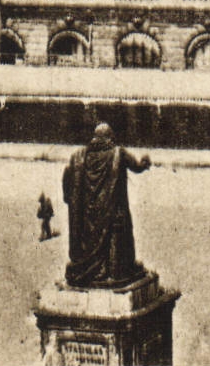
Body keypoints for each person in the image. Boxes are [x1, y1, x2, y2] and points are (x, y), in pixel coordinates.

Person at [62, 122, 152, 288]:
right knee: (117, 236)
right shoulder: (118, 153)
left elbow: (67, 183)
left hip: (88, 215)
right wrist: (146, 162)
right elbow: (137, 166)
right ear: (110, 137)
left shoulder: (79, 156)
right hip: (111, 209)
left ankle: (92, 269)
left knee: (92, 238)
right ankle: (116, 270)